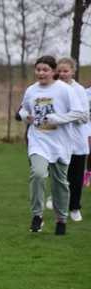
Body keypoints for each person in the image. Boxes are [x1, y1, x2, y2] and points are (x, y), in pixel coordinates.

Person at [18, 56, 87, 235]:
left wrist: (58, 118)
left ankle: (61, 218)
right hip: (38, 140)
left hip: (60, 143)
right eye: (38, 69)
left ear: (53, 71)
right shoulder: (31, 91)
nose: (41, 73)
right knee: (38, 173)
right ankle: (37, 216)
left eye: (45, 70)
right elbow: (23, 109)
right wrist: (26, 116)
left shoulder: (64, 90)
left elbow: (79, 113)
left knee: (60, 183)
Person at [52, 58, 90, 221]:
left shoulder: (79, 90)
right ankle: (57, 202)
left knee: (75, 177)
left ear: (73, 71)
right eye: (59, 71)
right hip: (58, 140)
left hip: (76, 141)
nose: (62, 74)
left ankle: (75, 208)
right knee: (59, 175)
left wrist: (62, 118)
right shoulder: (52, 88)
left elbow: (83, 116)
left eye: (65, 71)